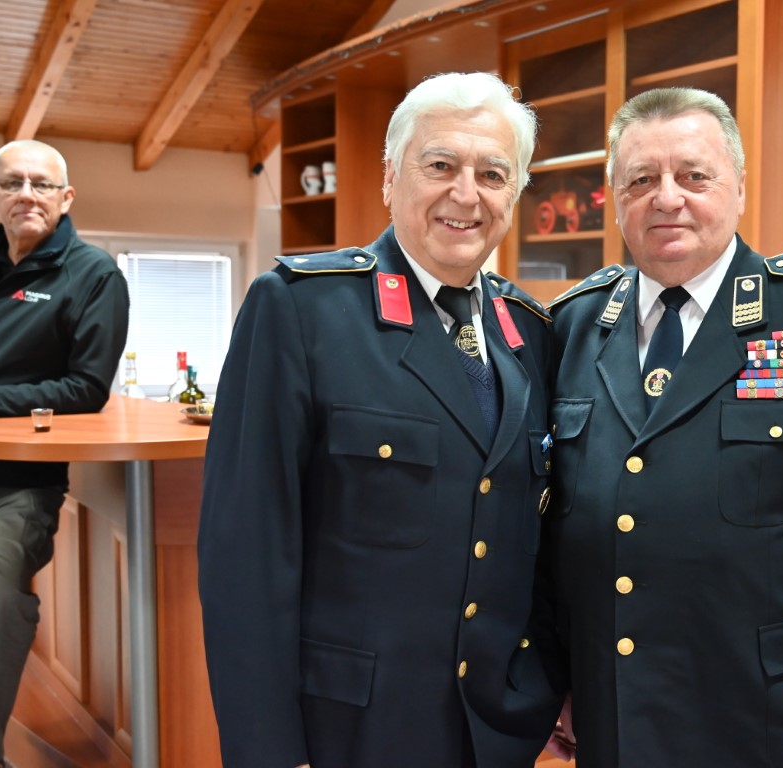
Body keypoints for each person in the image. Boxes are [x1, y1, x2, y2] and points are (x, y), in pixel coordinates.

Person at [544, 87, 783, 768]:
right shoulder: (574, 323)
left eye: (694, 175)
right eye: (641, 180)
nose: (667, 198)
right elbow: (550, 536)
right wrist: (553, 678)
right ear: (616, 199)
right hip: (616, 706)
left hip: (772, 713)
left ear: (740, 188)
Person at [198, 72, 563, 767]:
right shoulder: (300, 311)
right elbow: (246, 555)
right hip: (352, 728)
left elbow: (537, 546)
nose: (467, 194)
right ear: (391, 178)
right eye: (440, 165)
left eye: (493, 174)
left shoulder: (530, 333)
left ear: (514, 194)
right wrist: (268, 750)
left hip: (497, 729)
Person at [0, 140, 129, 767]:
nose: (27, 195)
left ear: (66, 198)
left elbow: (85, 389)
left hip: (19, 483)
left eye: (41, 185)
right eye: (12, 182)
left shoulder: (94, 275)